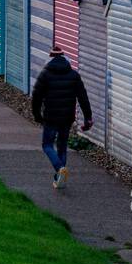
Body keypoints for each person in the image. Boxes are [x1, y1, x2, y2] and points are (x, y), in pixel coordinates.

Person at [31, 45, 93, 188]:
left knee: (47, 145)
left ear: (50, 58)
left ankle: (60, 169)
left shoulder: (44, 75)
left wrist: (37, 115)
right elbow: (83, 98)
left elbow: (36, 98)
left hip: (50, 118)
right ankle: (60, 178)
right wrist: (88, 117)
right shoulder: (74, 75)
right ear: (64, 58)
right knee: (62, 146)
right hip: (67, 118)